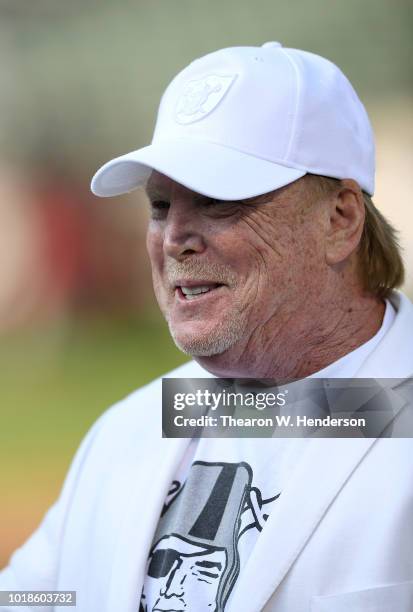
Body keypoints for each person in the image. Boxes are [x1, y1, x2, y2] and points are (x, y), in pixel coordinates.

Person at [1, 42, 412, 612]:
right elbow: (49, 599)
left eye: (218, 201)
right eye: (161, 205)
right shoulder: (130, 429)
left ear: (339, 220)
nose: (175, 238)